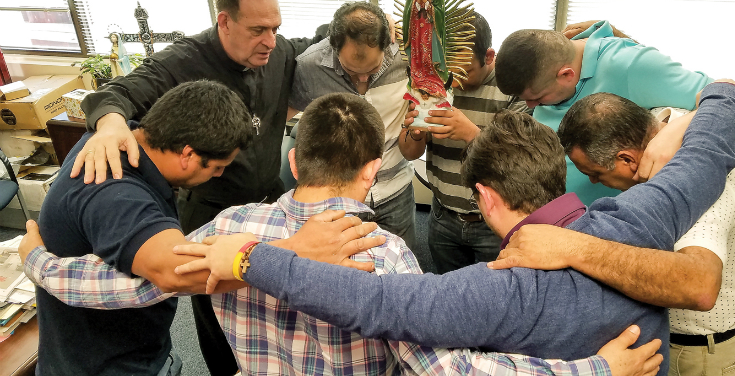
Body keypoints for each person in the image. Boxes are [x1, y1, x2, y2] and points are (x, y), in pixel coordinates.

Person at [21, 93, 660, 376]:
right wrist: (595, 371)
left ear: (295, 163)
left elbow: (127, 287)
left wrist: (39, 262)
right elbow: (445, 367)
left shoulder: (226, 230)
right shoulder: (384, 252)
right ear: (371, 171)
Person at [174, 81, 735, 376]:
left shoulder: (498, 288)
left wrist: (251, 258)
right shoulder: (646, 216)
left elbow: (376, 305)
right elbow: (708, 147)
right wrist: (719, 94)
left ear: (485, 197)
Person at [73, 0, 332, 375]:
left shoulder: (276, 49)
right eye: (258, 29)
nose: (270, 40)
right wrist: (108, 123)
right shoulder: (181, 60)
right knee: (218, 311)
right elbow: (112, 94)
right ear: (224, 21)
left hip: (269, 202)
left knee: (275, 300)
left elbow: (319, 37)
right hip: (211, 215)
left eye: (276, 28)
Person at [29, 81, 253, 376]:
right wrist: (289, 255)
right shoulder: (114, 191)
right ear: (187, 154)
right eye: (217, 167)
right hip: (106, 364)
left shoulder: (114, 137)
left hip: (131, 345)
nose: (220, 175)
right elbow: (176, 272)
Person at [546, 92, 735, 376]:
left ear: (627, 159)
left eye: (594, 173)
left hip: (698, 353)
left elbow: (700, 286)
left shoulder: (700, 185)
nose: (594, 181)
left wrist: (575, 248)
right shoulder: (664, 123)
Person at [493, 20, 713, 205]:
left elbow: (730, 100)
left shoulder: (628, 64)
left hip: (620, 225)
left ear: (566, 74)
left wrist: (672, 132)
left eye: (538, 98)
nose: (531, 107)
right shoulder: (544, 69)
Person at [399, 11, 529, 273]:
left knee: (494, 298)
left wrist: (471, 133)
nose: (453, 81)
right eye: (447, 70)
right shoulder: (432, 82)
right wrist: (414, 132)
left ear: (489, 57)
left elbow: (522, 162)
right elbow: (411, 153)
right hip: (442, 216)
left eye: (465, 71)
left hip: (494, 223)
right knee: (449, 290)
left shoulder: (514, 89)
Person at [288, 2, 416, 250]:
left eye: (373, 69)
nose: (363, 80)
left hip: (395, 188)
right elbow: (285, 111)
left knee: (401, 266)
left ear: (387, 44)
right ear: (334, 47)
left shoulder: (408, 54)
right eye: (350, 71)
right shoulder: (310, 66)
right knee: (343, 269)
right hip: (337, 196)